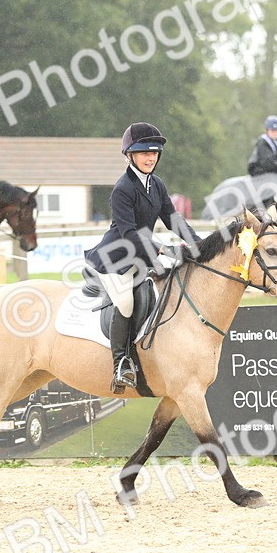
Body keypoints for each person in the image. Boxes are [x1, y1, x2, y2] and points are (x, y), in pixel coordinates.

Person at [84, 122, 202, 393]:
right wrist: (162, 249)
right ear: (130, 155)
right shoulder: (122, 189)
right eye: (144, 153)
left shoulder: (157, 185)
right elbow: (129, 233)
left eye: (155, 153)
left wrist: (199, 243)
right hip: (116, 257)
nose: (151, 158)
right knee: (125, 302)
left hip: (143, 256)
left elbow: (172, 219)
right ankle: (120, 364)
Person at [247, 115, 277, 211]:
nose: (274, 133)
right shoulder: (263, 142)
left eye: (276, 131)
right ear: (267, 130)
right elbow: (268, 162)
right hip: (262, 173)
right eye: (272, 130)